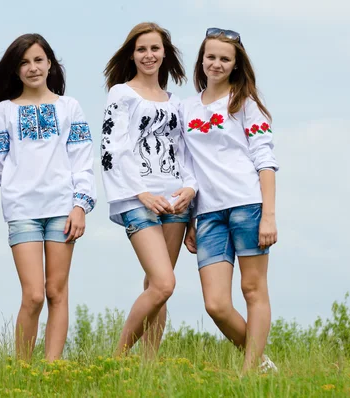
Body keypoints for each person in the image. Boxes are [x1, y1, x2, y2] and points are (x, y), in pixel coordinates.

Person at [0, 34, 96, 361]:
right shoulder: (2, 112)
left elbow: (83, 159)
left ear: (50, 63)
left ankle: (51, 370)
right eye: (24, 62)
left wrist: (80, 205)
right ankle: (22, 371)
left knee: (56, 292)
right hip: (22, 211)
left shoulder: (69, 107)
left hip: (64, 209)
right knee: (33, 295)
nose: (32, 68)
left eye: (38, 60)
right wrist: (18, 184)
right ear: (15, 70)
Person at [181, 28, 279, 373]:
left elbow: (265, 161)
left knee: (253, 290)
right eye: (211, 57)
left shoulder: (246, 104)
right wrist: (190, 220)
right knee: (216, 304)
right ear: (201, 60)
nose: (217, 63)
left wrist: (269, 215)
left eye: (225, 58)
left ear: (236, 65)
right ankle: (262, 361)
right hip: (208, 214)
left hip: (247, 206)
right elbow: (188, 167)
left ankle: (250, 371)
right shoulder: (186, 108)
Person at [100, 22, 198, 357]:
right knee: (163, 282)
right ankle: (118, 358)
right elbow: (113, 148)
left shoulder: (177, 102)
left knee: (158, 287)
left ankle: (150, 367)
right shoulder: (121, 94)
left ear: (165, 53)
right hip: (139, 199)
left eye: (155, 48)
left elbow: (185, 152)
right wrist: (141, 193)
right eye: (141, 49)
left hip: (175, 201)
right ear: (132, 54)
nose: (148, 55)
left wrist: (190, 188)